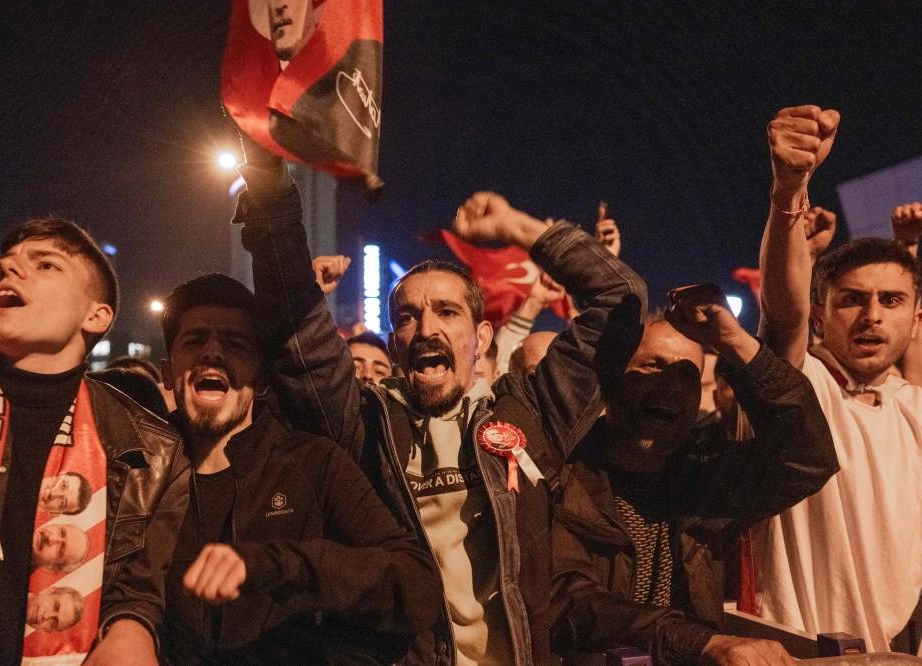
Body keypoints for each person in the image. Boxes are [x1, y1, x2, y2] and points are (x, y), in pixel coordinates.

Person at [234, 143, 647, 664]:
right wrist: (269, 179)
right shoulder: (362, 424)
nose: (425, 328)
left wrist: (519, 227)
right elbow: (297, 324)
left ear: (483, 337)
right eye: (406, 317)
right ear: (393, 342)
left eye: (446, 312)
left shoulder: (533, 412)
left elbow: (621, 297)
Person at [0, 217, 189, 665]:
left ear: (96, 315)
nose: (7, 270)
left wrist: (129, 632)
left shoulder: (153, 451)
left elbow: (136, 591)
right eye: (1, 266)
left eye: (46, 265)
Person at [156, 273, 441, 664]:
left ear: (261, 377)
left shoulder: (313, 462)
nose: (213, 353)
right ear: (168, 372)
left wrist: (279, 565)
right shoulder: (139, 470)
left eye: (235, 343)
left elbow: (415, 585)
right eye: (194, 340)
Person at [550, 290, 837, 665]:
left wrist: (735, 343)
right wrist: (700, 643)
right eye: (653, 366)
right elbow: (568, 600)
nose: (670, 386)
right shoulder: (560, 473)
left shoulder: (707, 474)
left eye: (688, 377)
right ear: (611, 381)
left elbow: (808, 458)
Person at [756, 104, 922, 652]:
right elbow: (782, 314)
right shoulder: (803, 388)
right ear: (820, 314)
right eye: (852, 300)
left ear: (915, 318)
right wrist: (789, 191)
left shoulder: (912, 409)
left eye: (891, 301)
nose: (872, 315)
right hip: (800, 657)